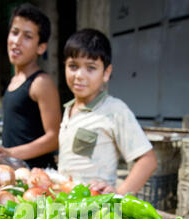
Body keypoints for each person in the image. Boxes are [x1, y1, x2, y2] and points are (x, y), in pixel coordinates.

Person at [58, 28, 157, 194]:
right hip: (66, 205)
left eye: (91, 68)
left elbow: (148, 161)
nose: (79, 75)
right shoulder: (69, 109)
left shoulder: (114, 110)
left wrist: (118, 194)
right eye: (73, 66)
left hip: (96, 210)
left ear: (106, 73)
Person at [0, 3, 62, 169]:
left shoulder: (41, 83)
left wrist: (11, 152)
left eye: (27, 36)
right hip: (15, 171)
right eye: (14, 32)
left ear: (41, 47)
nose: (16, 41)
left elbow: (55, 138)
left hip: (36, 178)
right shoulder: (14, 81)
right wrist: (2, 150)